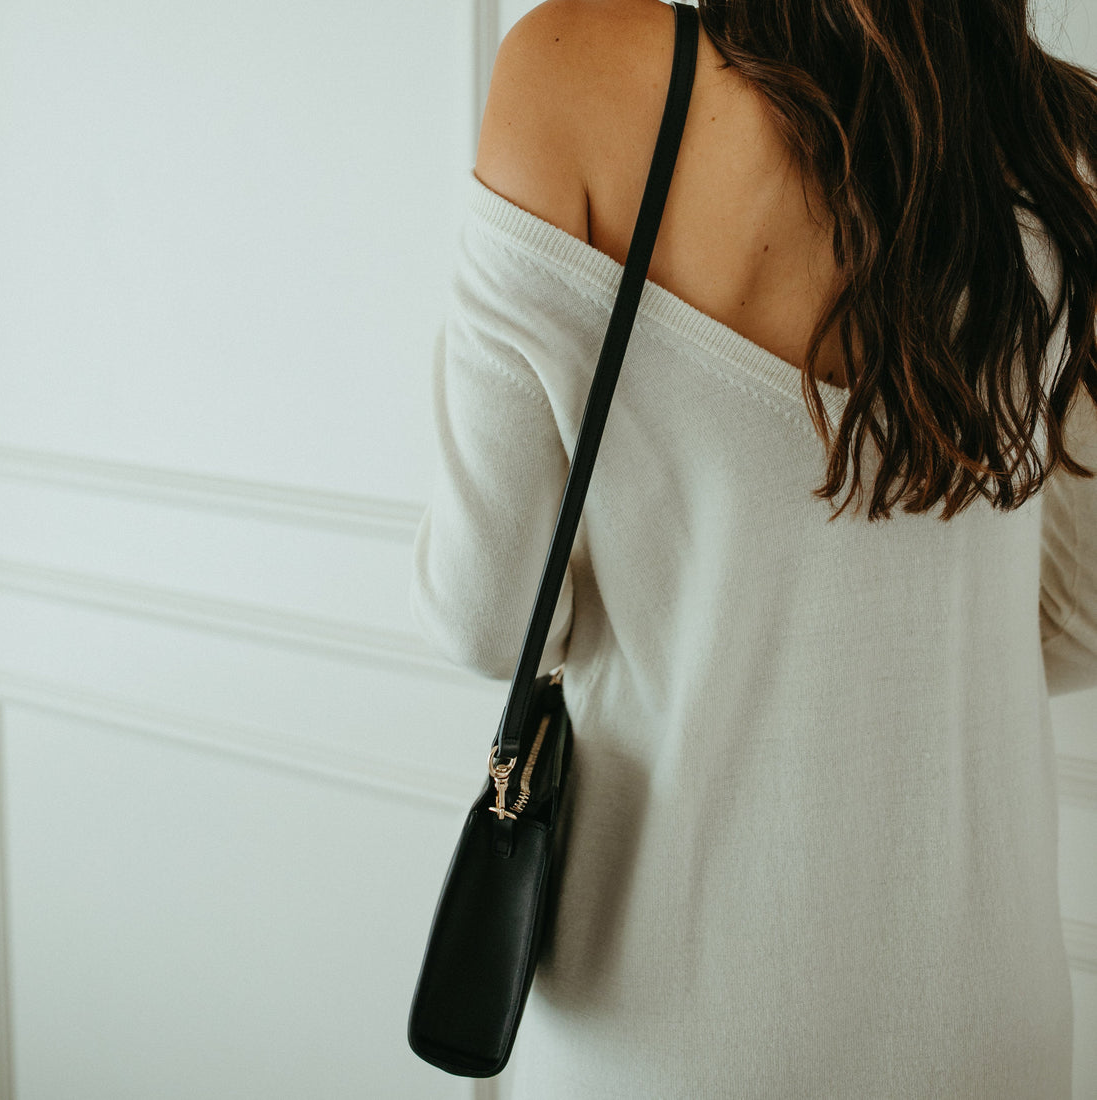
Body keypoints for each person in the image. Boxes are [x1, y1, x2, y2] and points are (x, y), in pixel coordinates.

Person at [409, 0, 1097, 1095]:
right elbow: (1081, 614)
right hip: (986, 1023)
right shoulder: (1048, 131)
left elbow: (486, 618)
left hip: (660, 1031)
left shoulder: (570, 68)